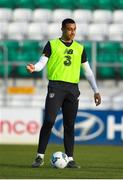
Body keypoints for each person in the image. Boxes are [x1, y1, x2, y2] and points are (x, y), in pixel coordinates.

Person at [26, 18, 101, 168]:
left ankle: (71, 159)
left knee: (69, 125)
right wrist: (35, 67)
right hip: (56, 87)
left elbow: (88, 72)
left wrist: (96, 91)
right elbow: (42, 62)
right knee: (49, 120)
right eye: (69, 29)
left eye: (74, 29)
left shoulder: (80, 48)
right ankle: (39, 156)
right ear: (62, 29)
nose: (72, 32)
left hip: (73, 89)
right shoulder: (52, 44)